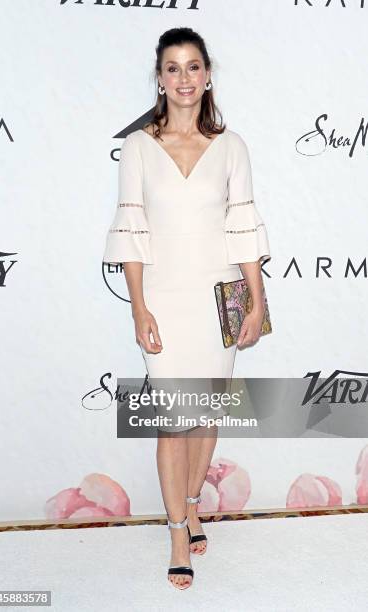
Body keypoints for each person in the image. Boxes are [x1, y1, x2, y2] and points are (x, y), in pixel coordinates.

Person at [103, 27, 271, 590]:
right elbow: (132, 231)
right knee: (173, 425)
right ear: (159, 77)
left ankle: (194, 500)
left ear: (207, 75)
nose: (183, 78)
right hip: (166, 300)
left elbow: (243, 229)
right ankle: (178, 530)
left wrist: (257, 300)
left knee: (206, 414)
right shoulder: (138, 147)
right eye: (172, 68)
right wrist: (138, 309)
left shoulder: (231, 147)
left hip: (222, 296)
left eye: (193, 67)